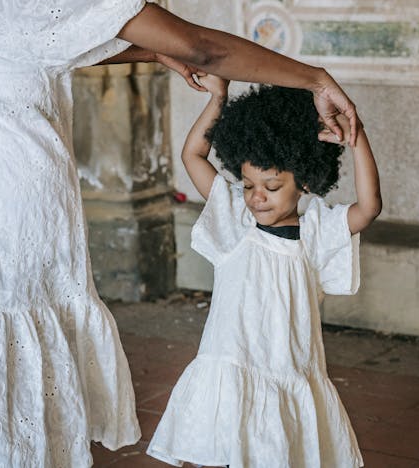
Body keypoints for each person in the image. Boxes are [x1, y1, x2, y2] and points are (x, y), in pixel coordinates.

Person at [0, 0, 363, 467]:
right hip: (3, 207)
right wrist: (313, 78)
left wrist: (154, 49)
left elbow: (24, 38)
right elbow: (202, 48)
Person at [146, 74, 381, 468]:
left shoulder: (316, 234)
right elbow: (193, 157)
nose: (256, 197)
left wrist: (357, 138)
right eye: (249, 183)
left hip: (289, 367)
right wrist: (217, 99)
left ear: (304, 182)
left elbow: (368, 207)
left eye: (271, 186)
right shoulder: (235, 221)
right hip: (232, 364)